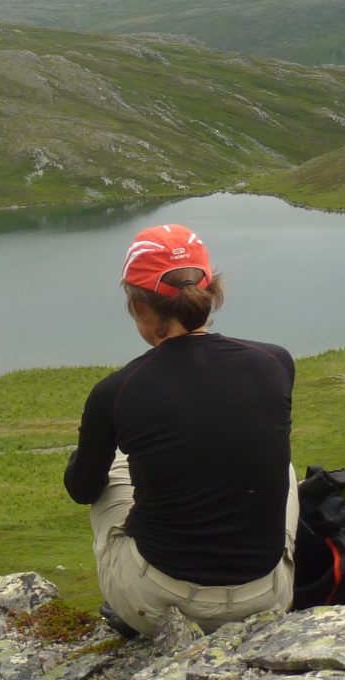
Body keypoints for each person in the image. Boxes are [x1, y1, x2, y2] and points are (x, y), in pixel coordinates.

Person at [64, 223, 297, 635]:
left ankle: (131, 602)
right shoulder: (275, 361)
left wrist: (84, 454)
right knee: (287, 469)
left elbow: (82, 490)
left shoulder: (116, 392)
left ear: (139, 307)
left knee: (115, 466)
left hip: (160, 603)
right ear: (211, 293)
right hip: (267, 595)